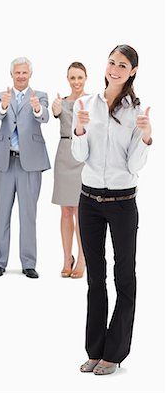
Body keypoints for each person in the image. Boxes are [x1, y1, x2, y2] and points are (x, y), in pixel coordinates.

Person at [72, 45, 152, 375]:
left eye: (123, 65)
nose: (115, 69)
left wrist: (145, 136)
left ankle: (115, 352)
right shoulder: (86, 105)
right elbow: (80, 156)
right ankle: (95, 349)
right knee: (96, 278)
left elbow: (134, 165)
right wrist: (78, 129)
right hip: (89, 200)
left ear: (132, 71)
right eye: (112, 62)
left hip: (122, 203)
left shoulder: (136, 111)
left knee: (124, 277)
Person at [0, 57, 50, 278]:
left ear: (30, 74)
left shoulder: (40, 96)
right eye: (17, 73)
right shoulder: (0, 95)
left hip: (30, 163)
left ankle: (29, 263)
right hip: (5, 162)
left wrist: (35, 109)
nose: (21, 76)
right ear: (11, 74)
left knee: (28, 214)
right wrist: (4, 105)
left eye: (24, 73)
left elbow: (44, 117)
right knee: (1, 213)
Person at [52, 62, 87, 278]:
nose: (76, 82)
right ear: (68, 79)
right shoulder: (61, 102)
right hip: (64, 154)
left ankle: (82, 259)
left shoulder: (92, 101)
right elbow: (54, 115)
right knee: (65, 211)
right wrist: (55, 110)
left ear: (86, 78)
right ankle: (67, 258)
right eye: (72, 78)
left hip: (83, 155)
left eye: (79, 77)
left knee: (81, 211)